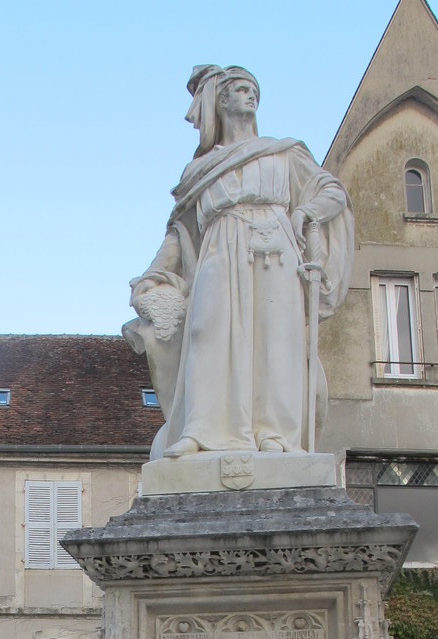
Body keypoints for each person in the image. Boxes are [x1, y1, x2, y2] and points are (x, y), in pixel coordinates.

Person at [125, 65, 354, 460]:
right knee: (206, 331)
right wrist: (152, 276)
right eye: (242, 89)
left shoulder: (283, 153)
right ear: (221, 100)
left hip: (276, 247)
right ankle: (200, 430)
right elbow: (180, 234)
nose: (251, 96)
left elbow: (332, 191)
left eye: (254, 91)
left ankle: (275, 435)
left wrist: (306, 212)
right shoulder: (200, 170)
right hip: (219, 247)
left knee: (275, 338)